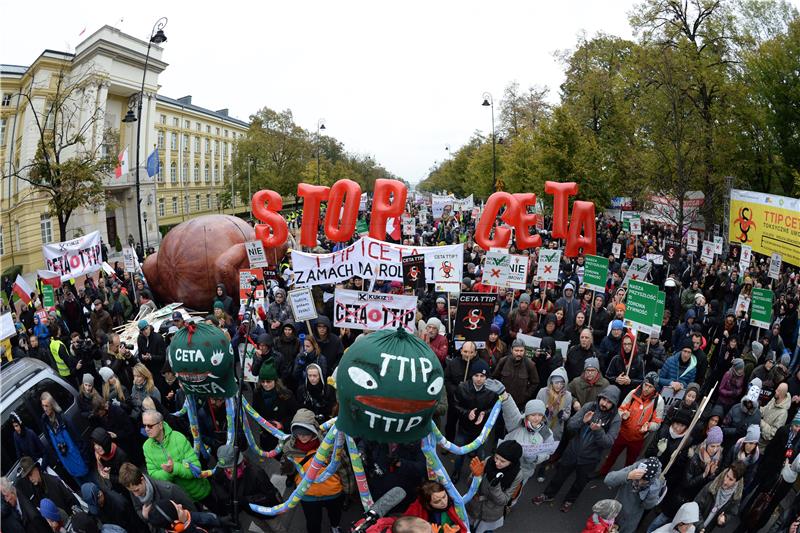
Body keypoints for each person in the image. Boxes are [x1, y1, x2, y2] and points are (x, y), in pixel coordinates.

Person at [533, 385, 621, 512]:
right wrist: (583, 421)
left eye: (609, 402)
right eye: (603, 399)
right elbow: (570, 426)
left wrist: (598, 431)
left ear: (614, 404)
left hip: (590, 458)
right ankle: (548, 495)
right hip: (573, 450)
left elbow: (608, 443)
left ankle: (569, 501)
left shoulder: (615, 419)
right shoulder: (589, 406)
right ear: (599, 398)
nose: (604, 403)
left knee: (580, 482)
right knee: (560, 475)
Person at [280, 409, 350, 533]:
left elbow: (344, 468)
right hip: (307, 495)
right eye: (298, 433)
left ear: (314, 431)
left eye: (306, 433)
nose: (302, 437)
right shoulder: (289, 448)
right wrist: (285, 461)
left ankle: (335, 527)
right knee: (312, 523)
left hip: (333, 492)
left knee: (335, 516)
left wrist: (348, 490)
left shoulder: (331, 446)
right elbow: (289, 471)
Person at [599, 372, 664, 476]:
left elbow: (657, 423)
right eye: (645, 385)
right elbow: (621, 408)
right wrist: (623, 414)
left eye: (650, 387)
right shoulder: (633, 393)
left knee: (630, 462)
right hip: (622, 433)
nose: (646, 389)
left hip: (638, 439)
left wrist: (648, 427)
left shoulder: (659, 401)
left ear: (655, 388)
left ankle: (624, 479)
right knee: (612, 455)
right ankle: (602, 472)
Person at [141, 409, 211, 505]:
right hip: (179, 501)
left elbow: (196, 469)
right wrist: (169, 472)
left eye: (150, 425)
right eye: (144, 425)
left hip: (198, 492)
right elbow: (153, 474)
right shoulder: (146, 447)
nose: (146, 429)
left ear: (160, 425)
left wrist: (174, 468)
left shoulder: (178, 438)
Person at [497, 392, 554, 502]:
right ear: (527, 415)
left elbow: (548, 452)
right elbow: (511, 413)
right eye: (533, 415)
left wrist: (536, 458)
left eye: (540, 415)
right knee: (498, 485)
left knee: (515, 491)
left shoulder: (547, 433)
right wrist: (506, 398)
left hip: (524, 470)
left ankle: (509, 505)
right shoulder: (517, 423)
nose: (536, 418)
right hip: (504, 464)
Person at [210, 444, 283, 530]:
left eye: (230, 467)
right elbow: (217, 483)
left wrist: (245, 500)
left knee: (277, 528)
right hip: (250, 511)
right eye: (225, 468)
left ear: (239, 462)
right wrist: (226, 498)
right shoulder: (221, 471)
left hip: (266, 510)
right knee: (263, 527)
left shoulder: (256, 473)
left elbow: (269, 494)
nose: (228, 470)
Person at [451, 359, 498, 483]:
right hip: (464, 428)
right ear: (471, 376)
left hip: (482, 431)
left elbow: (495, 409)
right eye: (476, 375)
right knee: (459, 453)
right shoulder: (462, 387)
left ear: (486, 377)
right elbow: (455, 405)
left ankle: (475, 474)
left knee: (480, 455)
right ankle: (456, 471)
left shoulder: (492, 392)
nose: (479, 379)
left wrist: (484, 413)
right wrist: (467, 413)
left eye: (482, 376)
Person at [466, 440, 523, 533]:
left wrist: (495, 486)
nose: (497, 463)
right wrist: (475, 476)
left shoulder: (517, 475)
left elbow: (504, 501)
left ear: (512, 462)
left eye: (502, 461)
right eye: (496, 458)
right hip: (474, 507)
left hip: (491, 514)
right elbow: (469, 485)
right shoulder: (489, 460)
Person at [118, 461, 198, 526]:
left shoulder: (169, 490)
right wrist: (144, 516)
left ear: (142, 480)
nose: (135, 495)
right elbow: (138, 509)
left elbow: (192, 511)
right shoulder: (133, 488)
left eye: (136, 490)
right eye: (131, 491)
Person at [604, 457, 666, 533]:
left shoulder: (655, 484)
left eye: (644, 481)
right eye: (639, 478)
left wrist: (652, 492)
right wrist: (628, 475)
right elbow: (608, 480)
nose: (640, 482)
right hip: (615, 511)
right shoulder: (633, 469)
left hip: (630, 521)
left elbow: (647, 506)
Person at [40, 391, 89, 485]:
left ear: (52, 405)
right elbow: (50, 442)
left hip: (77, 456)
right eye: (43, 406)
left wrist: (85, 458)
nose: (45, 409)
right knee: (81, 485)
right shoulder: (44, 421)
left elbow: (77, 438)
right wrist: (58, 457)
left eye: (47, 406)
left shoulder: (62, 417)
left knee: (89, 481)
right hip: (66, 460)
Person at [253, 360, 299, 451]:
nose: (265, 384)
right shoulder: (257, 393)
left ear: (275, 380)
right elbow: (256, 411)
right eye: (263, 381)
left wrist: (282, 424)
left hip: (283, 436)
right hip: (266, 435)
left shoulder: (287, 395)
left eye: (269, 381)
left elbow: (295, 415)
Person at [695, 462, 745, 533]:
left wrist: (725, 519)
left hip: (707, 529)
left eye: (730, 479)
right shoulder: (711, 486)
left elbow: (731, 513)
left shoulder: (736, 497)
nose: (725, 481)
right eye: (727, 476)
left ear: (736, 482)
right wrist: (700, 527)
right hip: (693, 526)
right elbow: (695, 506)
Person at [403, 480, 467, 532]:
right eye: (437, 501)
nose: (444, 502)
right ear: (427, 503)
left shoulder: (454, 501)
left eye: (444, 496)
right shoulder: (417, 511)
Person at [493, 338, 539, 408]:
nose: (519, 353)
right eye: (516, 350)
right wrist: (500, 393)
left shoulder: (529, 364)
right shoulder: (503, 361)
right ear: (511, 350)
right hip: (503, 400)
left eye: (521, 351)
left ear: (524, 351)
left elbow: (535, 382)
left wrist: (525, 395)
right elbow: (495, 378)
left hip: (519, 403)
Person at [605, 332, 644, 399]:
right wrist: (616, 379)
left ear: (633, 345)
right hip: (616, 393)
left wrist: (630, 381)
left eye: (629, 344)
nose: (626, 346)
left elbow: (642, 381)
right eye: (624, 344)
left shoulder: (639, 361)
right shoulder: (616, 359)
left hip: (630, 395)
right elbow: (607, 376)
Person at [759, 382, 791, 451]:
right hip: (756, 437)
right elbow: (765, 410)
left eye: (778, 390)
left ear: (782, 394)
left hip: (761, 447)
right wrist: (756, 409)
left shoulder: (783, 414)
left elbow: (772, 434)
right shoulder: (774, 399)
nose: (775, 391)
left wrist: (760, 422)